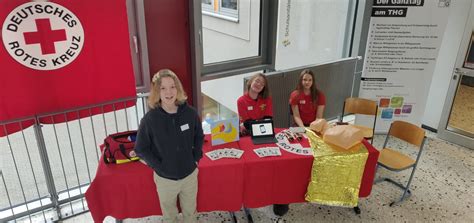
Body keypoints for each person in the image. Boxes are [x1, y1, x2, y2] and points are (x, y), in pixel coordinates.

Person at [134, 69, 204, 223]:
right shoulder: (150, 119)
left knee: (190, 213)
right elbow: (140, 148)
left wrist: (196, 157)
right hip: (165, 179)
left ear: (178, 88)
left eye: (172, 86)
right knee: (169, 217)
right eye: (163, 88)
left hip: (190, 175)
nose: (169, 92)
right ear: (157, 92)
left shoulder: (190, 113)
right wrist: (159, 167)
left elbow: (199, 136)